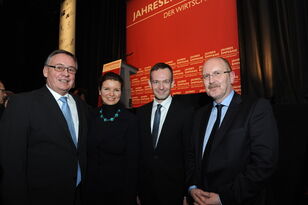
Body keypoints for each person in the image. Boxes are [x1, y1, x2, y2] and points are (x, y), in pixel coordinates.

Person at [0, 49, 89, 205]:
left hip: (77, 195)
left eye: (71, 69)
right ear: (45, 71)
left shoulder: (82, 107)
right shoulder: (22, 104)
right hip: (39, 196)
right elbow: (11, 161)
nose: (66, 73)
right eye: (59, 67)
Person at [187, 57, 279, 205]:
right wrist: (192, 187)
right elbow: (191, 155)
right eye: (206, 76)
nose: (211, 80)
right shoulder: (198, 115)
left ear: (231, 77)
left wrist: (223, 198)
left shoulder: (256, 108)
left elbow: (264, 163)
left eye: (217, 73)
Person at [136, 63, 194, 205]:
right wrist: (136, 190)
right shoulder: (140, 113)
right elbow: (137, 155)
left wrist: (187, 193)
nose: (161, 87)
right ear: (150, 83)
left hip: (174, 193)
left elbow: (190, 155)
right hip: (145, 192)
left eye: (166, 81)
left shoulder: (187, 113)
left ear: (173, 83)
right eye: (156, 82)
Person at [85, 72, 139, 205]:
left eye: (116, 90)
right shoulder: (90, 116)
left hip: (120, 190)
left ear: (121, 92)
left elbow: (133, 161)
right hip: (92, 188)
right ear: (99, 91)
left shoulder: (130, 120)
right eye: (107, 89)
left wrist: (131, 193)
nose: (111, 94)